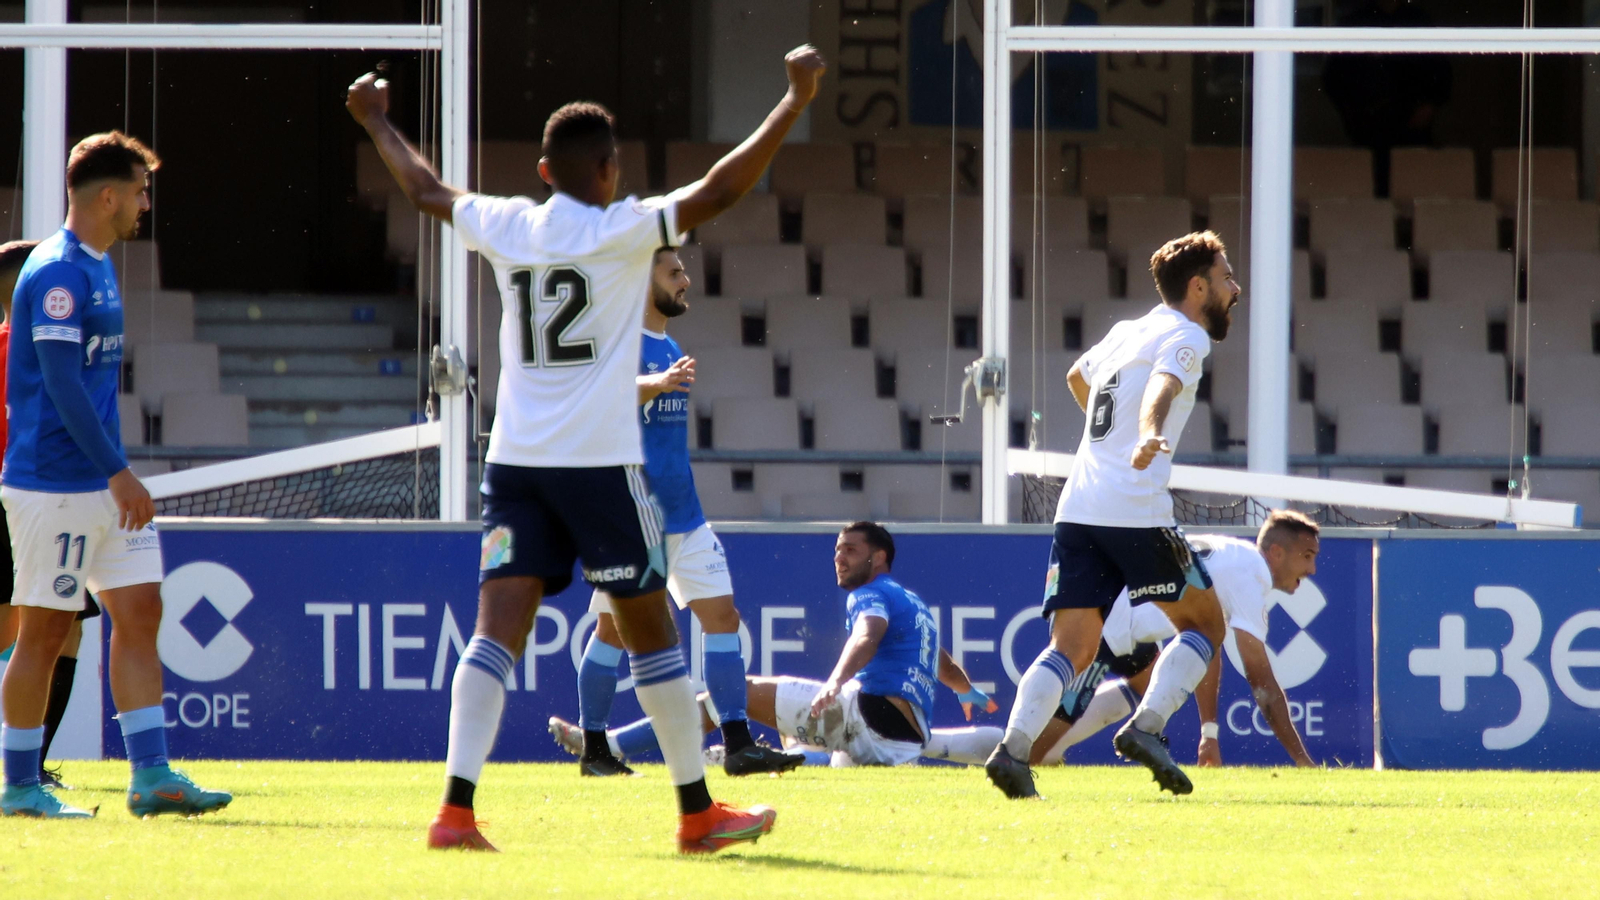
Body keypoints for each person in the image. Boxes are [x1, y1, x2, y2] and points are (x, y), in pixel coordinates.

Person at [346, 44, 827, 854]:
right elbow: (722, 189)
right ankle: (697, 815)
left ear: (542, 169)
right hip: (600, 468)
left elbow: (425, 190)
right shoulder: (624, 228)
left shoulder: (508, 222)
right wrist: (793, 100)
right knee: (652, 636)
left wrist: (376, 121)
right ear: (610, 168)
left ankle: (455, 812)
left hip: (514, 467)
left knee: (494, 631)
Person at [0, 132, 231, 819]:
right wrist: (119, 473)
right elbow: (65, 388)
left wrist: (115, 477)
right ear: (108, 196)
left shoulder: (97, 265)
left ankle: (151, 777)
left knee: (140, 613)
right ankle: (17, 785)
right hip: (57, 484)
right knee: (42, 632)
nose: (145, 204)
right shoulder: (59, 274)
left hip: (99, 486)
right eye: (139, 191)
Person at [985, 231, 1240, 799]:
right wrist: (1147, 433)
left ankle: (1013, 749)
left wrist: (1113, 438)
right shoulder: (1187, 335)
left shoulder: (1129, 330)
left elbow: (1078, 376)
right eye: (1226, 278)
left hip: (1079, 506)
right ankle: (1147, 729)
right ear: (1197, 287)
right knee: (1205, 624)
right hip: (1135, 508)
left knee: (1070, 647)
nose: (1234, 288)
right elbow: (1164, 386)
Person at [561, 248, 803, 778]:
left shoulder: (669, 344)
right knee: (612, 633)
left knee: (723, 618)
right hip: (632, 521)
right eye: (674, 273)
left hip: (686, 518)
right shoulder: (620, 341)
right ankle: (596, 751)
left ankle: (738, 745)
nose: (686, 280)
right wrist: (656, 384)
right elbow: (598, 401)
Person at [550, 522, 998, 767]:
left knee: (728, 697)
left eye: (851, 551)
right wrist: (966, 690)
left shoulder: (871, 594)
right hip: (903, 743)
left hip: (868, 718)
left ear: (879, 558)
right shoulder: (914, 604)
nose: (839, 558)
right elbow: (937, 657)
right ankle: (744, 754)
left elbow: (868, 634)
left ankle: (609, 746)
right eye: (837, 550)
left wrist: (834, 681)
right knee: (792, 738)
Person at [927, 512, 1321, 770]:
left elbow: (1202, 646)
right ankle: (921, 741)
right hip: (1107, 626)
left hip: (1128, 615)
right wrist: (1304, 763)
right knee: (1028, 754)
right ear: (1276, 552)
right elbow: (1262, 684)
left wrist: (1209, 734)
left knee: (1145, 681)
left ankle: (1077, 740)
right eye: (1306, 556)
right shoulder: (1252, 576)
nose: (1312, 568)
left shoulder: (1234, 556)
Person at [0, 239, 100, 792]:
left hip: (28, 498)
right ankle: (28, 769)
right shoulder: (55, 354)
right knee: (55, 637)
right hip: (45, 499)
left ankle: (28, 768)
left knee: (36, 634)